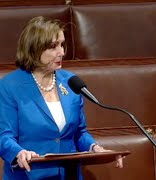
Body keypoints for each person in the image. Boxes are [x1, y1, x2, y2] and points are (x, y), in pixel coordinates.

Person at [0, 16, 123, 179]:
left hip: (69, 175)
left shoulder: (71, 82)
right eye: (53, 46)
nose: (62, 52)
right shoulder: (10, 86)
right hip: (30, 175)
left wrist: (95, 148)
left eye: (62, 44)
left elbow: (79, 133)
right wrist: (19, 153)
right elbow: (4, 136)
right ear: (34, 49)